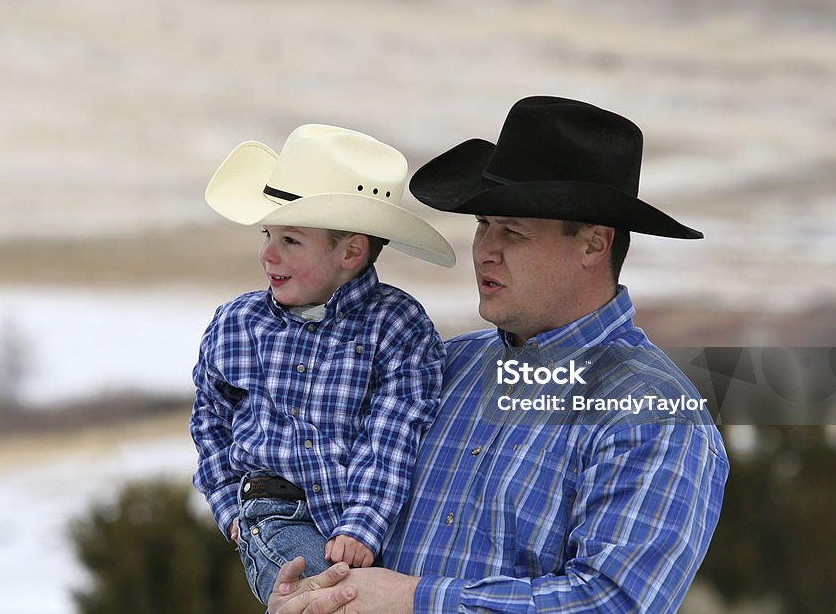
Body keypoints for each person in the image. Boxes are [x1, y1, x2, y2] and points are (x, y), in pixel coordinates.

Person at [267, 96, 730, 614]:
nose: (485, 249)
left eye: (513, 231)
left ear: (594, 245)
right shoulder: (438, 368)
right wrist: (311, 585)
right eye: (483, 225)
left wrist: (414, 599)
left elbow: (610, 603)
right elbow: (328, 491)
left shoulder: (655, 416)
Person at [189, 124, 456, 603]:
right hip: (274, 515)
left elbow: (395, 431)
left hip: (371, 522)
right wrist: (228, 505)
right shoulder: (237, 323)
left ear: (351, 251)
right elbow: (210, 417)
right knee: (335, 601)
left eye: (291, 240)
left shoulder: (396, 325)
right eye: (268, 233)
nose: (267, 253)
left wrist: (363, 521)